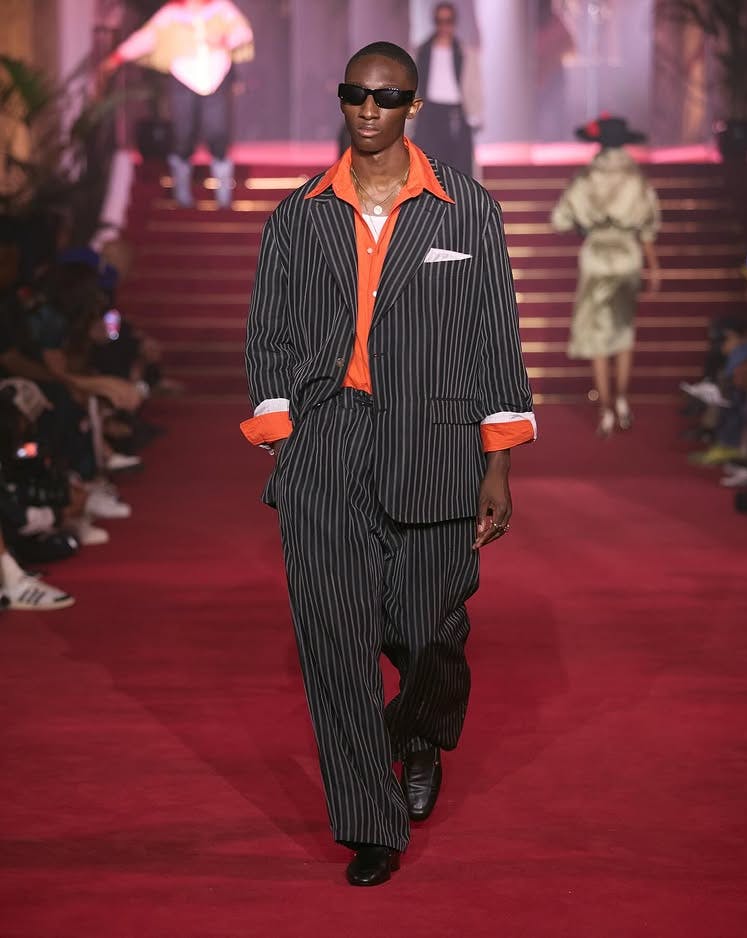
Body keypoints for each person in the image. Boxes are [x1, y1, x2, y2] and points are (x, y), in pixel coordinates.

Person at [242, 41, 534, 886]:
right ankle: (371, 824)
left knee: (430, 627)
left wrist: (498, 461)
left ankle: (418, 732)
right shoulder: (299, 215)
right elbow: (268, 334)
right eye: (356, 94)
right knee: (334, 637)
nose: (369, 109)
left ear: (413, 106)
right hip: (327, 440)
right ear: (342, 101)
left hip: (436, 441)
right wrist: (287, 440)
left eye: (387, 96)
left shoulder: (465, 210)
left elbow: (494, 335)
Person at [551, 114, 661, 436]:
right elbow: (648, 224)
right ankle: (622, 400)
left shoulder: (585, 177)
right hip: (627, 254)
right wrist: (654, 266)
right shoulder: (635, 177)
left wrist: (587, 228)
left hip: (596, 255)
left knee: (597, 335)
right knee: (623, 331)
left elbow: (560, 219)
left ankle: (606, 411)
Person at [101, 0, 254, 208]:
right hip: (183, 78)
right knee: (183, 134)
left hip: (216, 77)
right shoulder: (171, 14)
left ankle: (223, 194)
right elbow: (146, 38)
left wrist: (224, 39)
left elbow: (243, 31)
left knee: (217, 132)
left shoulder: (220, 8)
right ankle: (182, 194)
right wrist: (117, 57)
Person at [413, 2, 482, 177]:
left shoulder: (465, 52)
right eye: (439, 21)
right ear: (434, 22)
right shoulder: (421, 52)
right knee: (427, 168)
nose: (444, 26)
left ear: (454, 22)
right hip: (428, 114)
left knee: (457, 169)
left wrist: (475, 114)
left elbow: (474, 84)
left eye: (448, 20)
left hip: (456, 115)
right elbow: (412, 86)